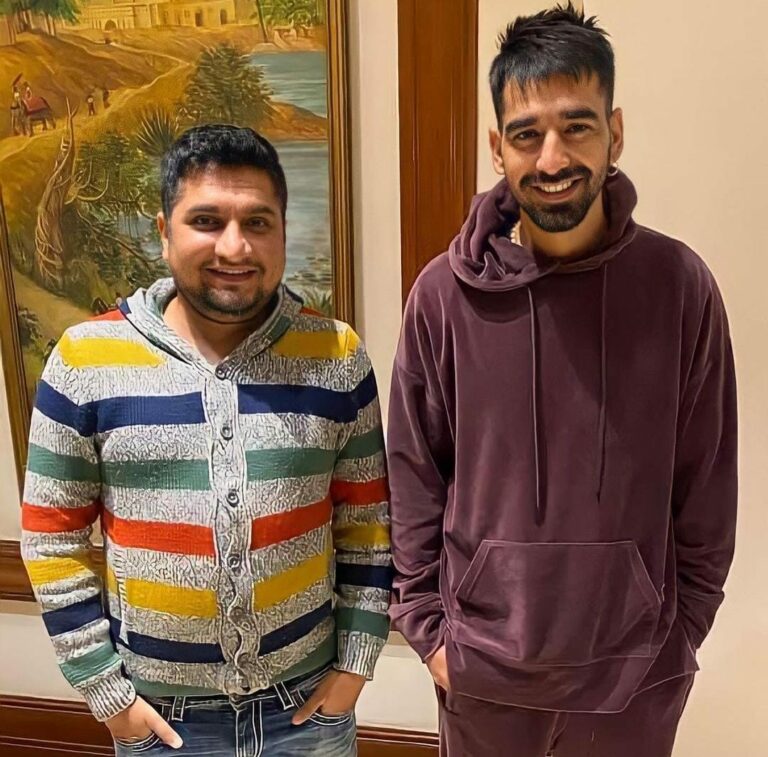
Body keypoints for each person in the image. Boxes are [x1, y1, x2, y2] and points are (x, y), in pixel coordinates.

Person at [386, 4, 736, 756]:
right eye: (526, 134)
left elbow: (706, 487)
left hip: (634, 687)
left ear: (616, 132)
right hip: (483, 681)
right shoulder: (443, 297)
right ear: (497, 148)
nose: (551, 159)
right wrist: (430, 636)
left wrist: (680, 637)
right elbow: (413, 480)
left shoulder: (679, 287)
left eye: (576, 127)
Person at [21, 124, 391, 755]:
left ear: (282, 231)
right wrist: (108, 694)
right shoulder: (86, 361)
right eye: (206, 221)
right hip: (163, 724)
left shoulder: (335, 355)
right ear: (163, 232)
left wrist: (356, 662)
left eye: (257, 222)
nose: (234, 245)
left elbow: (367, 526)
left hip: (307, 713)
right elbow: (52, 540)